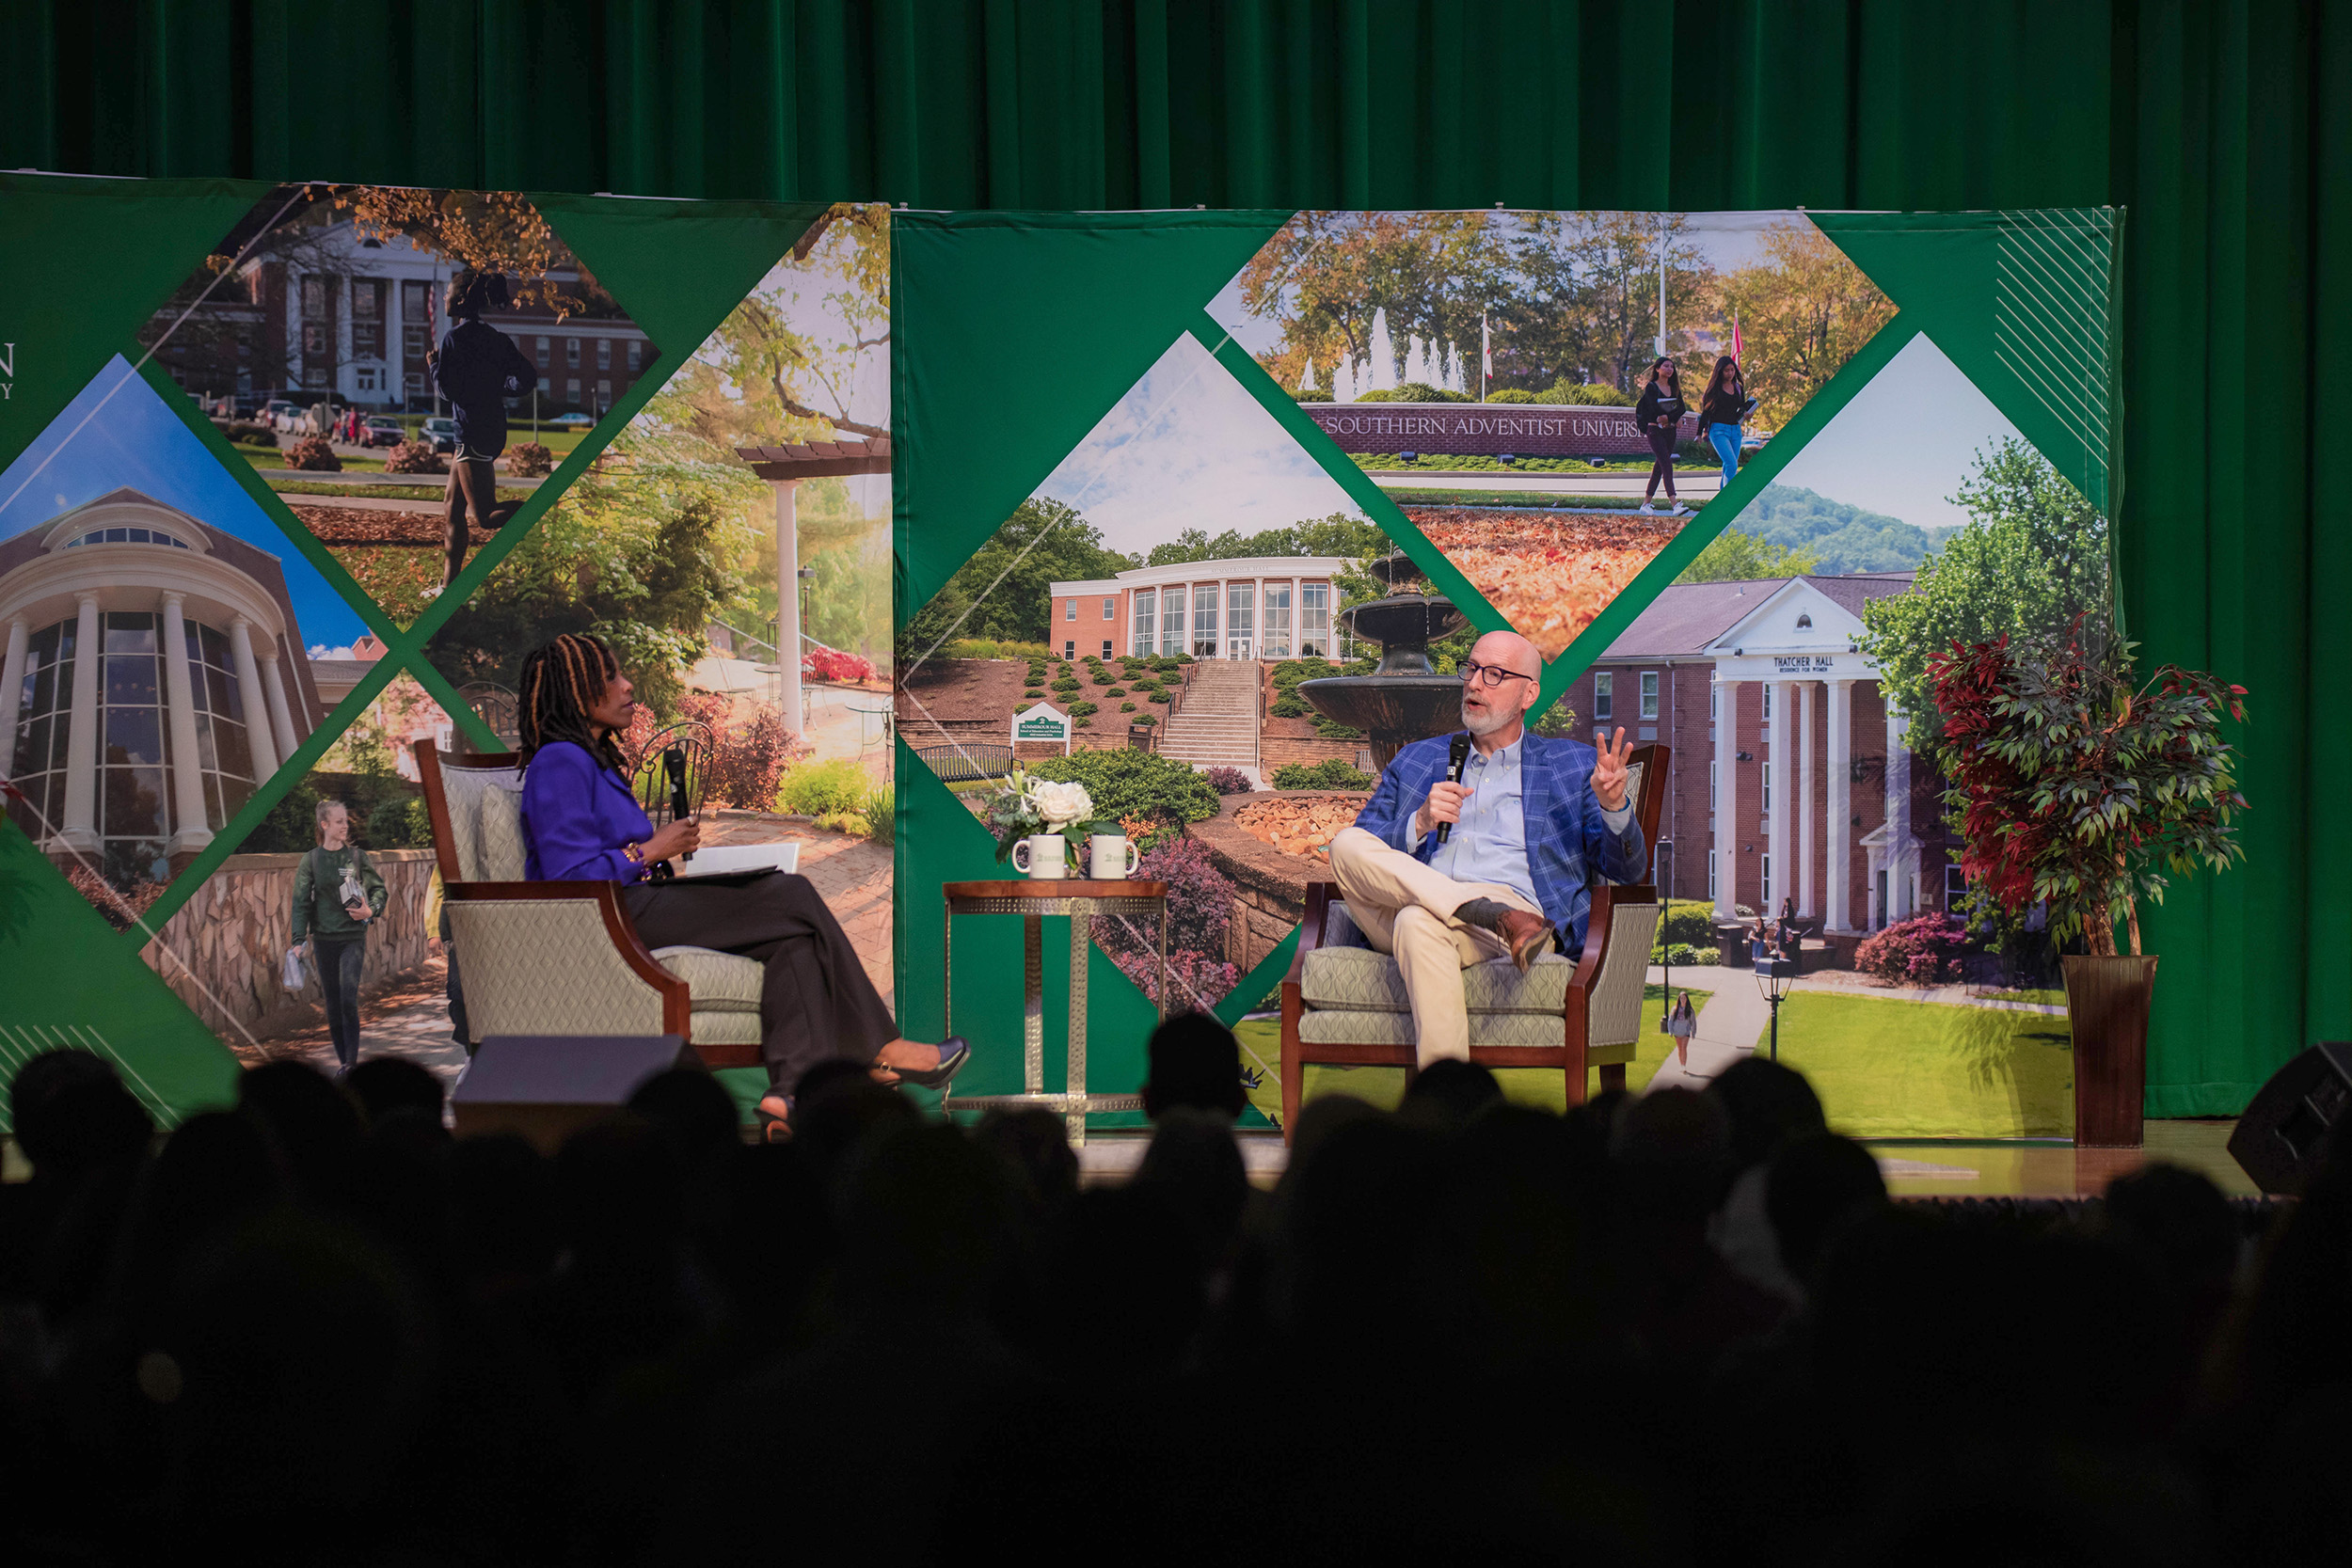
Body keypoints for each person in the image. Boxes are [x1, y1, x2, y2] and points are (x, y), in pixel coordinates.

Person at [514, 633, 966, 1137]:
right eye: (611, 678)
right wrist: (649, 850)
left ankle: (788, 1096)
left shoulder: (591, 759)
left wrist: (659, 851)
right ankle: (884, 1046)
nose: (628, 685)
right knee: (791, 894)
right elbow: (568, 879)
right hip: (613, 923)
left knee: (792, 943)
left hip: (634, 906)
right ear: (576, 692)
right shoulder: (559, 761)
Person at [1327, 627, 1646, 1065]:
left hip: (1510, 905)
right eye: (1472, 669)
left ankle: (1447, 1111)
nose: (1475, 683)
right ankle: (1499, 918)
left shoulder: (1571, 765)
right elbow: (1365, 850)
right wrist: (1419, 821)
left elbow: (1626, 872)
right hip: (1424, 903)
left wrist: (1614, 808)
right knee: (1345, 844)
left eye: (1494, 674)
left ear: (1528, 694)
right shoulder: (1417, 759)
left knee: (1417, 924)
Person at [426, 267, 536, 589]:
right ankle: (448, 586)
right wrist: (499, 386)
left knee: (486, 518)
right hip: (486, 430)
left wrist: (433, 366)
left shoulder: (455, 340)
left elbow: (447, 390)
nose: (444, 297)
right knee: (451, 507)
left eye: (447, 293)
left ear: (459, 301)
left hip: (472, 433)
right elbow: (527, 379)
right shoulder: (497, 339)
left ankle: (544, 514)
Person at [292, 799, 387, 1078]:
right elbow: (300, 903)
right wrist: (298, 940)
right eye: (339, 821)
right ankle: (345, 1062)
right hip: (323, 940)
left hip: (352, 938)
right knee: (332, 1002)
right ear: (324, 825)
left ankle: (350, 1064)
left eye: (346, 821)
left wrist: (371, 910)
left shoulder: (357, 857)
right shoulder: (311, 860)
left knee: (347, 996)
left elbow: (379, 890)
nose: (345, 826)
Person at [1633, 356, 1687, 513]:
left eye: (1671, 367)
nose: (1669, 369)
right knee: (1666, 464)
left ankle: (1645, 505)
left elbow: (1681, 408)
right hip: (1654, 430)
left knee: (1659, 468)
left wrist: (1671, 418)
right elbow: (1652, 407)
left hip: (1670, 431)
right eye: (1666, 366)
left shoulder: (1675, 388)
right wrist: (1664, 417)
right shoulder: (1651, 386)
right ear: (1657, 369)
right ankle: (1675, 504)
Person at [1697, 355, 1749, 486]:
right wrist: (1699, 433)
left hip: (1735, 430)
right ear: (1720, 371)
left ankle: (1722, 499)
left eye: (1732, 370)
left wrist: (1747, 413)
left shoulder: (1738, 387)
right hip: (1718, 430)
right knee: (1732, 464)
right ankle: (1729, 499)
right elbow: (1706, 412)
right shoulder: (1713, 390)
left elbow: (1741, 407)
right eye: (1727, 370)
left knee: (1728, 466)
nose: (1730, 373)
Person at [1668, 991, 1698, 1069]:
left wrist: (1693, 1033)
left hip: (1686, 1033)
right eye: (1681, 998)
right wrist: (1670, 1031)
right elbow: (1670, 1020)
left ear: (1687, 999)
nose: (1683, 1000)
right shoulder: (1675, 1009)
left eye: (1684, 998)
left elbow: (1693, 1022)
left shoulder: (1690, 1011)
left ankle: (1684, 1066)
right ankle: (1681, 1064)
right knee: (1680, 1049)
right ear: (1679, 999)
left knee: (1684, 1048)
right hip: (1677, 1032)